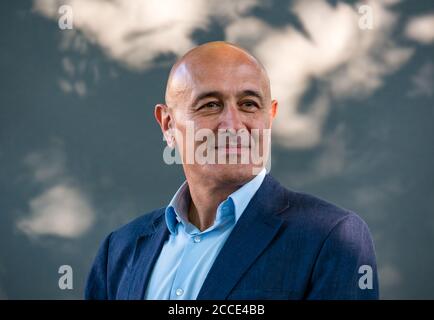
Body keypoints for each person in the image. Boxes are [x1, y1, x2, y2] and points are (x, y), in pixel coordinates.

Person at [85, 41, 379, 300]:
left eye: (249, 104)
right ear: (168, 125)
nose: (233, 125)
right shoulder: (119, 251)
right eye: (210, 105)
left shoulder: (331, 239)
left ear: (270, 117)